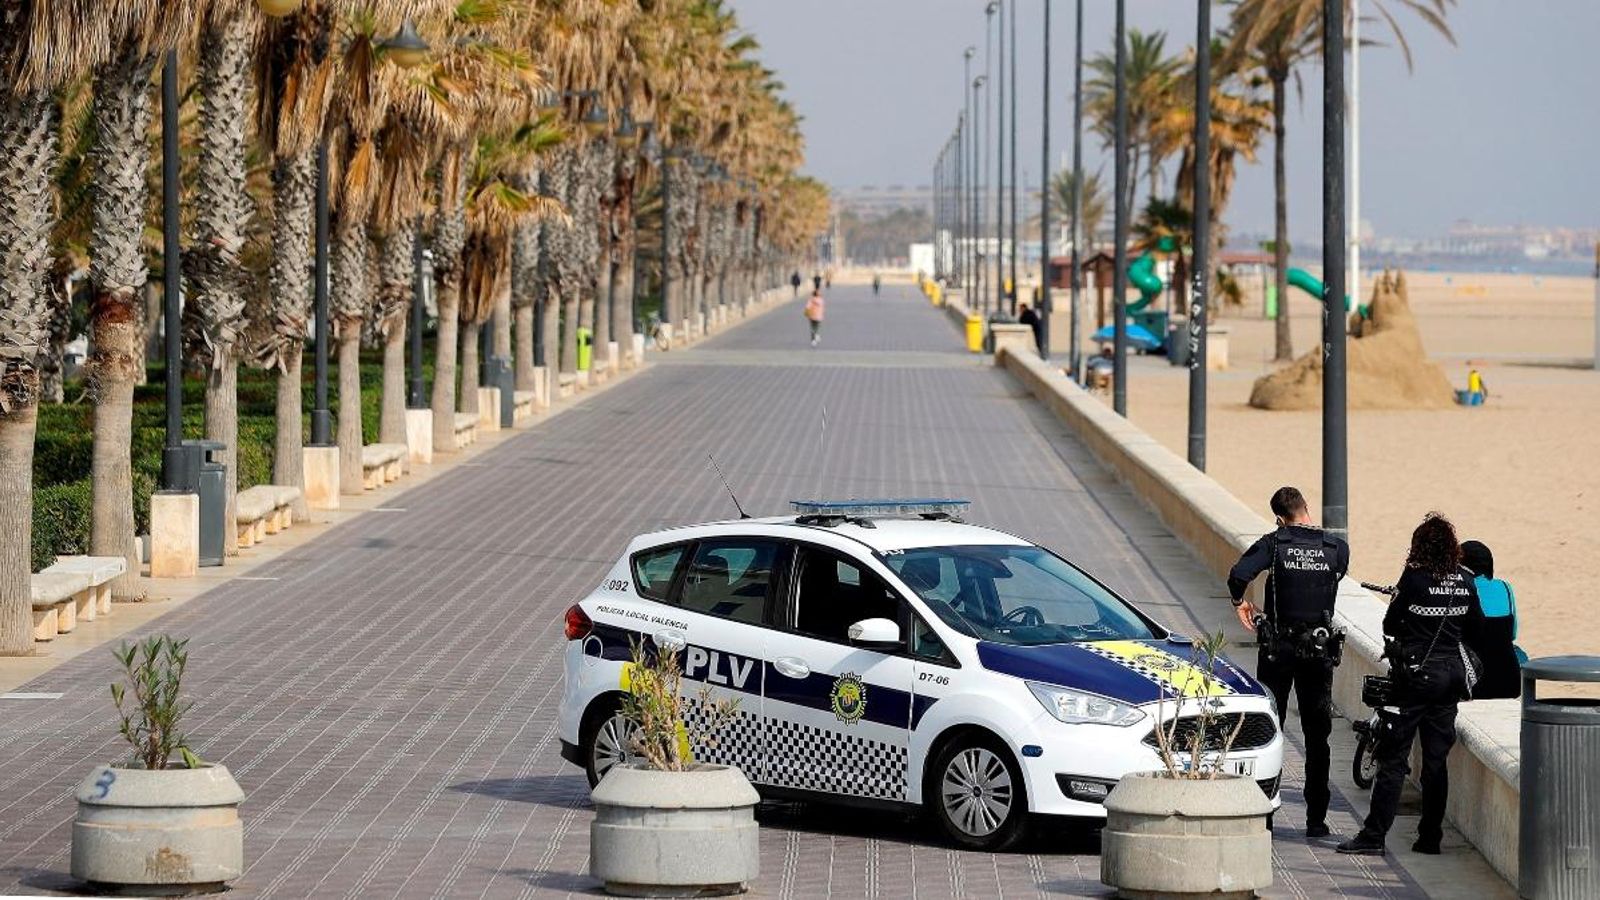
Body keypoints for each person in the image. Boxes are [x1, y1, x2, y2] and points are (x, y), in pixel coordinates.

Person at [1339, 513, 1484, 857]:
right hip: (1450, 678)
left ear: (1419, 545)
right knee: (1436, 762)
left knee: (1393, 759)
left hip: (1415, 678)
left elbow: (1391, 622)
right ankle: (1430, 838)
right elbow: (1475, 625)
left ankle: (1374, 836)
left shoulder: (1415, 577)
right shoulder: (1465, 579)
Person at [1228, 486, 1350, 839]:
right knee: (1318, 737)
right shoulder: (1336, 548)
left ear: (1279, 517)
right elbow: (1337, 574)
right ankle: (1317, 819)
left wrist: (1241, 601)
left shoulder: (1274, 543)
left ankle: (1264, 813)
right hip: (1318, 651)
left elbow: (1239, 574)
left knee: (1271, 730)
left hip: (1278, 649)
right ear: (1306, 509)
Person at [1459, 540, 1523, 699]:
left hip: (1474, 683)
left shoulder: (1460, 589)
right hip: (1509, 681)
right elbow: (1512, 634)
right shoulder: (1506, 588)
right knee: (1520, 652)